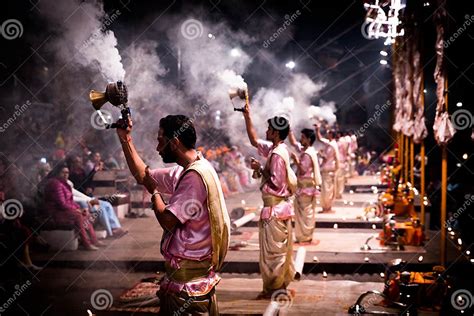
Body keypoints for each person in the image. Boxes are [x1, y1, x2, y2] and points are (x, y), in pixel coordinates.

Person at [116, 114, 230, 315]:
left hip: (188, 279)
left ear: (175, 142)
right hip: (187, 273)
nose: (158, 148)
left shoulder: (194, 177)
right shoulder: (190, 169)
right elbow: (144, 175)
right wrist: (125, 138)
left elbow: (168, 222)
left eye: (161, 141)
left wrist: (155, 193)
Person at [241, 101, 296, 299]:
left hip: (275, 210)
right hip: (276, 209)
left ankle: (275, 288)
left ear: (275, 132)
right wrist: (247, 116)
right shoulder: (276, 149)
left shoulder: (278, 155)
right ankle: (275, 286)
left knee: (274, 255)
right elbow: (254, 140)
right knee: (274, 254)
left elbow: (276, 185)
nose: (266, 131)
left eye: (269, 129)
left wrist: (258, 169)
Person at [43, 163, 103, 251]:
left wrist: (80, 209)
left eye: (67, 172)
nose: (65, 174)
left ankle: (94, 240)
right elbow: (62, 203)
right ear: (57, 173)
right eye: (63, 172)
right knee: (78, 216)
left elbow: (70, 201)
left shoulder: (64, 183)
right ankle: (86, 244)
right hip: (56, 212)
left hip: (65, 211)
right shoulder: (55, 184)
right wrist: (77, 210)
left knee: (86, 215)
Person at [288, 128, 322, 243]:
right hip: (306, 187)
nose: (300, 139)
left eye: (302, 137)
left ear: (308, 139)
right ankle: (304, 235)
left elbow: (302, 170)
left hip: (305, 187)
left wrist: (295, 160)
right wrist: (289, 131)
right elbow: (293, 143)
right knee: (305, 212)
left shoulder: (307, 154)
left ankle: (304, 236)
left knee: (305, 213)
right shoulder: (308, 150)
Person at [315, 126, 340, 213]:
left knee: (327, 190)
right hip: (326, 170)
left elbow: (336, 158)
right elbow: (320, 138)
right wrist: (317, 130)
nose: (326, 135)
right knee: (326, 189)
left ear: (331, 135)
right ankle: (325, 207)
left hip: (330, 170)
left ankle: (327, 207)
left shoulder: (333, 145)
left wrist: (336, 170)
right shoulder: (329, 143)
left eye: (328, 133)